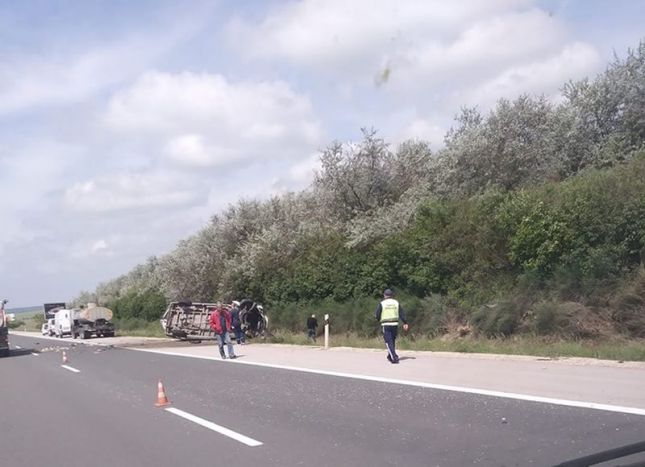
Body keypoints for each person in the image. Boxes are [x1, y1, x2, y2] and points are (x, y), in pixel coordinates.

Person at [374, 288, 408, 364]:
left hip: (386, 324)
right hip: (394, 324)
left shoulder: (382, 303)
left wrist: (378, 319)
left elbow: (377, 314)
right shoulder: (396, 302)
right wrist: (405, 322)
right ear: (392, 295)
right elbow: (401, 313)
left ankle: (394, 357)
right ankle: (390, 356)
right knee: (392, 341)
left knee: (388, 341)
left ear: (384, 295)